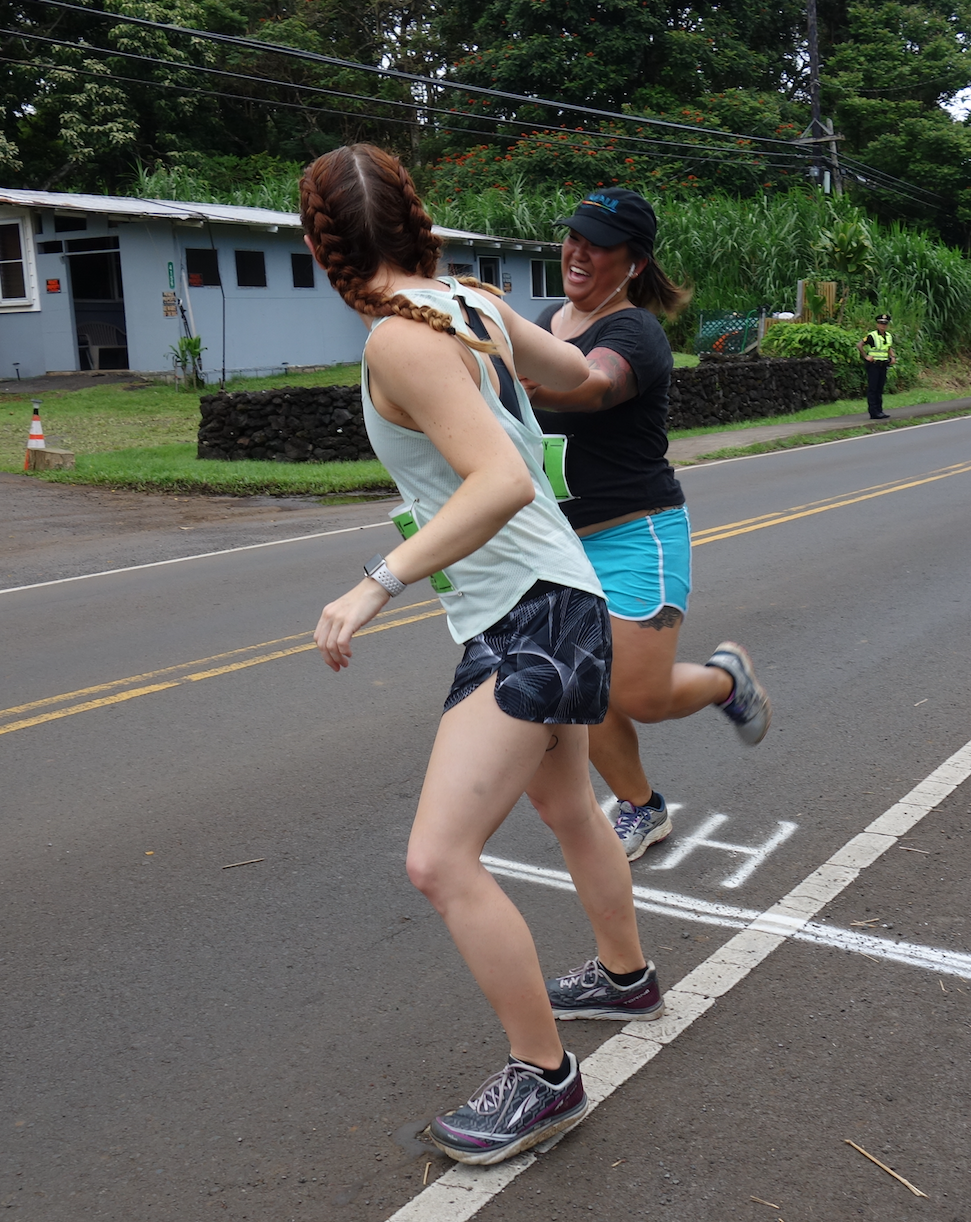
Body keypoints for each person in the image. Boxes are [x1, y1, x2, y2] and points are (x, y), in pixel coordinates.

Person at [303, 145, 661, 1166]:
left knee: (437, 858)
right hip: (561, 598)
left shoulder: (395, 342)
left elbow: (500, 478)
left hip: (531, 613)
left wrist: (377, 578)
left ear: (322, 244)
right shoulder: (469, 302)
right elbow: (580, 379)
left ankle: (543, 1078)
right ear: (413, 221)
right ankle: (625, 975)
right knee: (565, 806)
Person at [525, 188, 772, 864]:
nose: (577, 251)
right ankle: (644, 808)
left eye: (597, 243)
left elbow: (591, 386)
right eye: (573, 235)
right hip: (561, 543)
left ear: (633, 263)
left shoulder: (633, 332)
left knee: (639, 694)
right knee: (580, 684)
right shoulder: (546, 319)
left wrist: (506, 374)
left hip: (637, 535)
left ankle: (727, 678)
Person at [857, 313, 896, 420]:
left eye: (885, 324)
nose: (883, 325)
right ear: (877, 324)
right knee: (873, 389)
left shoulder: (888, 336)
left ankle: (880, 410)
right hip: (874, 365)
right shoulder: (872, 335)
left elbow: (888, 348)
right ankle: (873, 412)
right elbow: (859, 345)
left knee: (880, 389)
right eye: (881, 323)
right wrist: (866, 356)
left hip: (883, 365)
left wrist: (893, 357)